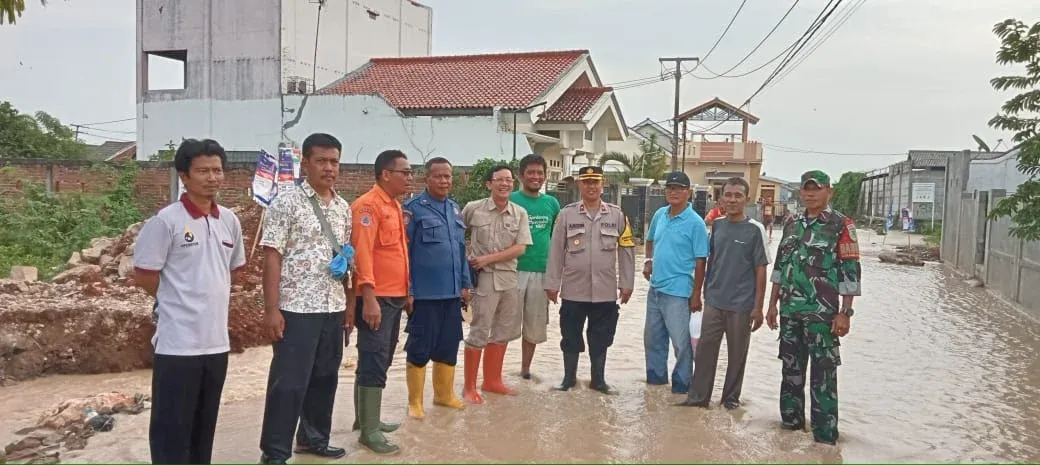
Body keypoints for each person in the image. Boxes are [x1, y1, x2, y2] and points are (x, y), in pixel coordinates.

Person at [134, 138, 244, 464]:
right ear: (184, 176)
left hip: (216, 344)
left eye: (217, 170)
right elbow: (145, 277)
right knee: (171, 429)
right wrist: (175, 300)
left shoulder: (230, 221)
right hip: (177, 345)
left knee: (203, 427)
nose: (212, 177)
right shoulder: (166, 222)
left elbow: (231, 272)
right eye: (203, 171)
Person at [258, 134, 351, 463]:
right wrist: (272, 310)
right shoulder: (286, 203)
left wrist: (348, 304)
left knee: (325, 377)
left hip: (333, 305)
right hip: (296, 307)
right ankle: (275, 452)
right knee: (289, 382)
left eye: (334, 161)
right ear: (306, 164)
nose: (329, 168)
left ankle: (313, 439)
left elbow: (344, 257)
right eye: (322, 161)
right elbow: (272, 257)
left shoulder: (343, 207)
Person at [766, 170, 862, 445]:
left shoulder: (841, 225)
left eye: (816, 189)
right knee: (790, 372)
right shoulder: (792, 222)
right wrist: (772, 305)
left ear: (828, 192)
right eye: (806, 189)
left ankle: (824, 439)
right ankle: (790, 432)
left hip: (824, 315)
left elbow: (850, 270)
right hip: (790, 312)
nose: (810, 193)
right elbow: (781, 268)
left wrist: (845, 312)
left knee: (824, 377)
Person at [679, 177, 769, 409]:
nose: (732, 200)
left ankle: (730, 400)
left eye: (738, 196)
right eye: (728, 195)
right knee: (705, 352)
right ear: (721, 199)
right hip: (714, 301)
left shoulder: (755, 230)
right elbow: (710, 261)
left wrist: (758, 307)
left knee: (737, 355)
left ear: (747, 200)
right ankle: (698, 398)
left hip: (741, 304)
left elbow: (761, 270)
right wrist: (698, 293)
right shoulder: (717, 225)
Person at [544, 166, 635, 394]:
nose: (591, 186)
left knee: (601, 337)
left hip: (604, 291)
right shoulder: (566, 214)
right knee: (570, 335)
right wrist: (552, 283)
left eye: (595, 182)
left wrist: (627, 283)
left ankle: (598, 381)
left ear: (602, 184)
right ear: (579, 185)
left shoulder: (617, 214)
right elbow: (555, 250)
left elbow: (626, 249)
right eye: (586, 182)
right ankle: (568, 379)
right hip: (573, 290)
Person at [350, 149, 414, 454]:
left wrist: (407, 291)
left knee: (380, 358)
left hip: (394, 296)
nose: (409, 177)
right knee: (374, 358)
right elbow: (362, 254)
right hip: (376, 298)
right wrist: (369, 297)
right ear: (386, 174)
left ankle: (364, 420)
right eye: (405, 172)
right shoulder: (368, 206)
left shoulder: (394, 206)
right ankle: (369, 431)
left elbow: (398, 253)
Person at [402, 157, 471, 419]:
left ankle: (443, 396)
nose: (444, 181)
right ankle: (415, 402)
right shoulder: (413, 210)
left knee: (449, 344)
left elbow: (461, 250)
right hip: (425, 295)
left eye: (448, 177)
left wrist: (465, 284)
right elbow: (404, 253)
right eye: (439, 176)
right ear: (426, 179)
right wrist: (408, 289)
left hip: (452, 293)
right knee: (420, 346)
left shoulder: (455, 209)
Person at [460, 164, 533, 404]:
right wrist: (465, 269)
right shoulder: (473, 209)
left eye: (509, 180)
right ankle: (469, 387)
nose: (505, 184)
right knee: (479, 330)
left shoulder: (519, 213)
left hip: (509, 278)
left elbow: (521, 248)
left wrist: (487, 258)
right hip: (484, 280)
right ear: (489, 184)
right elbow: (457, 237)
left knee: (503, 331)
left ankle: (492, 381)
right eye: (499, 180)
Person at [641, 172, 708, 395]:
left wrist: (696, 294)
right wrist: (648, 261)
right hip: (656, 289)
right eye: (670, 188)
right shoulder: (660, 214)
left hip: (679, 293)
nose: (674, 192)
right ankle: (655, 384)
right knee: (652, 340)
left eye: (679, 188)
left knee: (681, 345)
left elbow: (701, 261)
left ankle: (681, 387)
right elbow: (649, 241)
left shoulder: (696, 223)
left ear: (688, 192)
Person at [509, 154, 561, 380]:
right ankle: (493, 373)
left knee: (535, 324)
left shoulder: (552, 203)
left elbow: (556, 239)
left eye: (540, 173)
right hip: (512, 271)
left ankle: (525, 369)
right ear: (521, 175)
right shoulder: (510, 200)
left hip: (542, 271)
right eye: (531, 172)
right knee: (504, 323)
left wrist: (555, 277)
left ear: (545, 176)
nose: (535, 177)